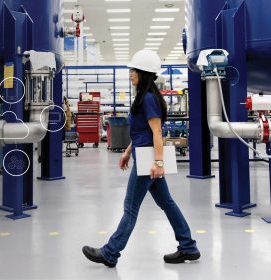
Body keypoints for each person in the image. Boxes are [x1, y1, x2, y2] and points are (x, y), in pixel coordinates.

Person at [82, 50, 200, 268]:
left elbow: (156, 133)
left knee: (130, 208)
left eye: (133, 70)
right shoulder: (144, 97)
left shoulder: (148, 98)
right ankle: (188, 246)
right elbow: (141, 131)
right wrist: (127, 151)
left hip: (148, 161)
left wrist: (159, 162)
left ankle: (110, 253)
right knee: (167, 203)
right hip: (143, 154)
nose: (131, 73)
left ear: (144, 73)